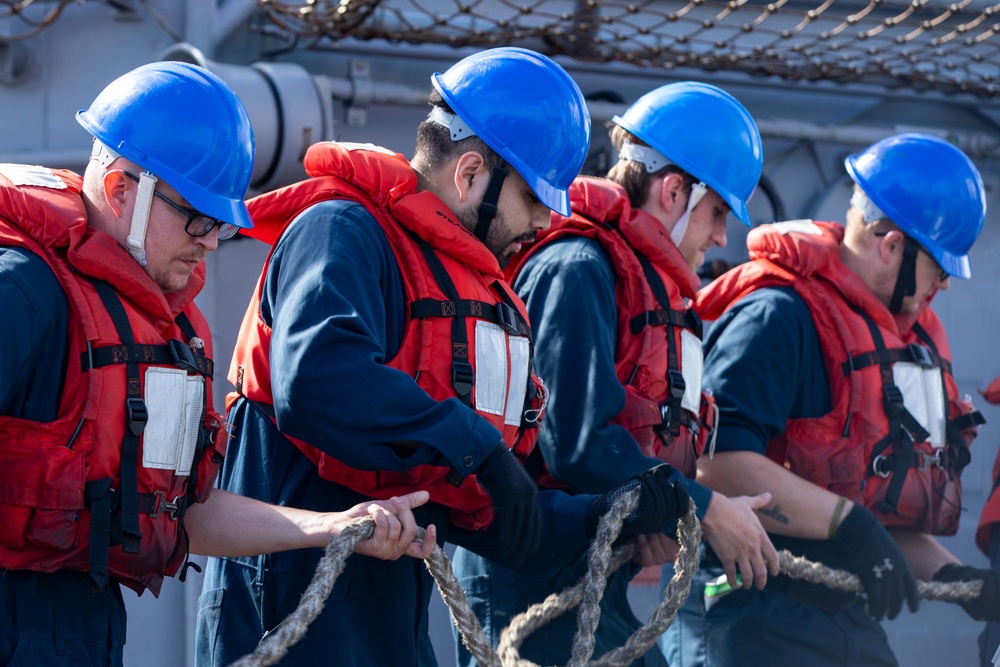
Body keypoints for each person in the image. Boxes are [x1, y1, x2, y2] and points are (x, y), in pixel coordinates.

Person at [194, 47, 691, 667]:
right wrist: (476, 444)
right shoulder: (342, 231)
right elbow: (317, 379)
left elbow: (490, 518)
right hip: (286, 604)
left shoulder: (464, 290)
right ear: (471, 173)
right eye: (532, 201)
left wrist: (601, 513)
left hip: (392, 617)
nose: (541, 225)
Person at [0, 61, 436, 667]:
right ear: (123, 190)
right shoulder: (22, 292)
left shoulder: (159, 327)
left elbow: (186, 509)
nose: (210, 241)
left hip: (85, 627)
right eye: (199, 218)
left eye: (221, 226)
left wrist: (332, 526)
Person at [451, 81, 780, 667]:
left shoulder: (636, 281)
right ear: (675, 191)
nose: (722, 237)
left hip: (596, 578)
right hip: (530, 579)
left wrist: (654, 514)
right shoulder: (578, 268)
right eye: (718, 213)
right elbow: (576, 443)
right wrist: (703, 508)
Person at [663, 132, 999, 667]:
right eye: (939, 267)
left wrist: (959, 580)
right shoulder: (778, 317)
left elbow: (873, 528)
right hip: (747, 613)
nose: (944, 286)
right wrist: (852, 524)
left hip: (841, 616)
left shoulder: (897, 345)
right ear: (893, 246)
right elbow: (716, 467)